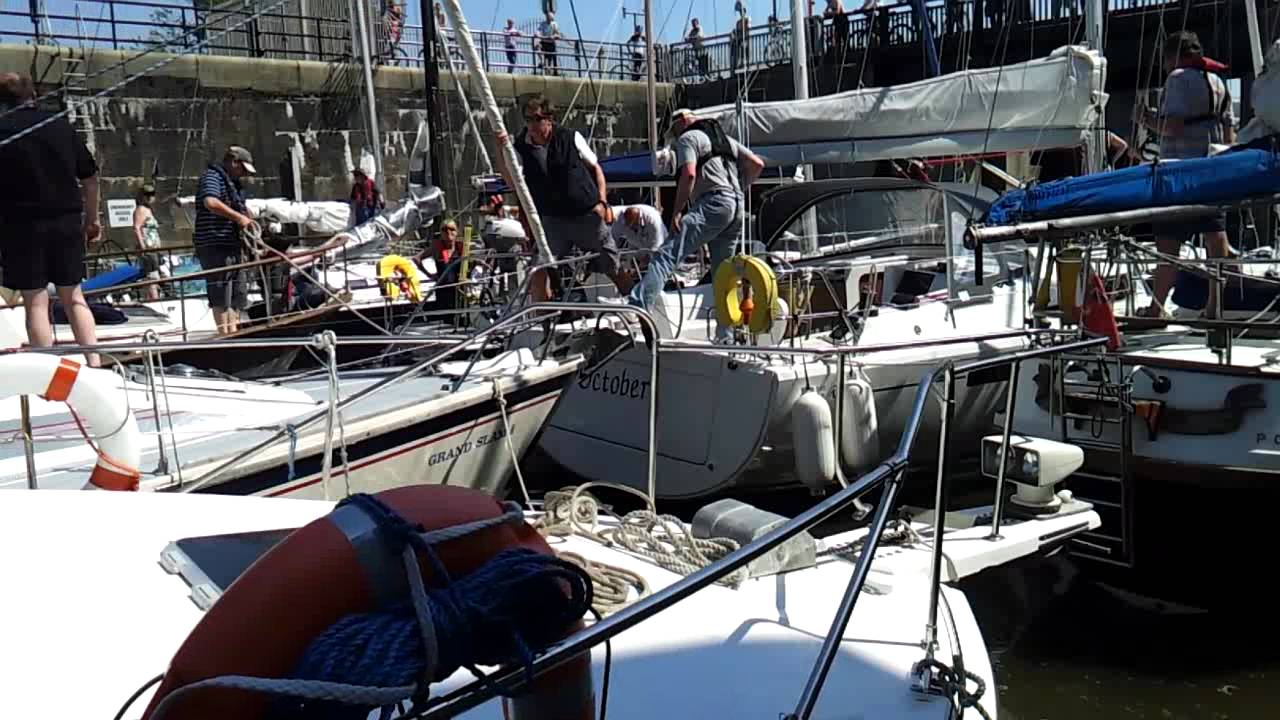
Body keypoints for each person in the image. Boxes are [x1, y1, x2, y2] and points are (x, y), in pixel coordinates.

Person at [628, 109, 764, 339]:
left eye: (675, 130)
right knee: (723, 276)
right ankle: (726, 336)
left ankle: (639, 305)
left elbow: (689, 174)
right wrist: (740, 189)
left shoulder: (688, 138)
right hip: (737, 206)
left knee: (666, 256)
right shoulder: (725, 141)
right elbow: (757, 164)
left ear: (682, 122)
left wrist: (677, 211)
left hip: (713, 202)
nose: (675, 136)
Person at [0, 72, 102, 366]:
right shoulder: (58, 125)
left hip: (20, 226)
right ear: (33, 93)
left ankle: (48, 375)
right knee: (74, 297)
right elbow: (90, 177)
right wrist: (91, 219)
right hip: (67, 220)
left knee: (35, 302)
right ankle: (95, 366)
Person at [1136, 30, 1235, 319]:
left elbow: (1172, 127)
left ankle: (1156, 309)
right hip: (1213, 171)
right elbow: (1229, 131)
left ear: (1173, 56)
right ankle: (1214, 307)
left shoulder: (1178, 79)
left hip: (1179, 174)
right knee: (1216, 242)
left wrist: (1145, 117)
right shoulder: (1218, 82)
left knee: (1168, 244)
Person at [495, 94, 625, 302]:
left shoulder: (570, 137)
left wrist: (602, 202)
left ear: (549, 118)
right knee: (539, 268)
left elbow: (596, 168)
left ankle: (637, 302)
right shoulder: (521, 147)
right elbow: (513, 183)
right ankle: (544, 321)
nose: (532, 125)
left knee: (610, 262)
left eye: (537, 119)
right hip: (552, 219)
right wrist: (500, 151)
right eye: (528, 120)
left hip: (584, 213)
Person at [195, 145, 257, 335]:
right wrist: (239, 218)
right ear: (233, 162)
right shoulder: (212, 177)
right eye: (242, 169)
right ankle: (225, 334)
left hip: (232, 244)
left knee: (236, 293)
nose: (244, 174)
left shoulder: (234, 183)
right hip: (215, 243)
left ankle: (234, 331)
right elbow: (210, 202)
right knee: (220, 292)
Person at [414, 219, 461, 312]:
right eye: (444, 229)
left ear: (457, 232)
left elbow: (471, 261)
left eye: (452, 229)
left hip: (458, 290)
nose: (448, 232)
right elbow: (416, 258)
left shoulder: (461, 247)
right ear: (441, 233)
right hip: (442, 290)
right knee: (445, 318)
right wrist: (429, 275)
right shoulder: (436, 248)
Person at [133, 182, 163, 301]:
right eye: (147, 194)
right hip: (147, 248)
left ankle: (150, 299)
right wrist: (142, 246)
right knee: (152, 275)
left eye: (152, 194)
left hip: (154, 248)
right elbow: (136, 228)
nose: (150, 197)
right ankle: (154, 300)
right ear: (142, 195)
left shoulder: (149, 209)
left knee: (153, 274)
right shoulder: (140, 210)